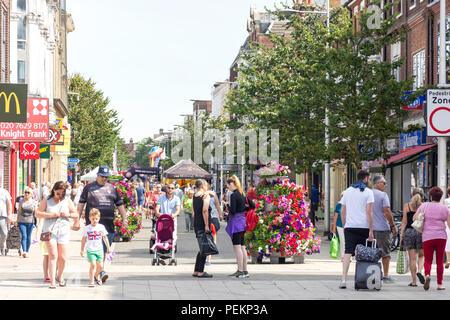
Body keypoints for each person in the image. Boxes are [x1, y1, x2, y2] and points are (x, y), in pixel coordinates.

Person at [74, 165, 128, 284]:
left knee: (103, 250)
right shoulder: (88, 188)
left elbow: (120, 204)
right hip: (93, 225)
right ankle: (101, 271)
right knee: (97, 248)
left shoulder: (112, 189)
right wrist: (76, 219)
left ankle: (99, 271)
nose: (104, 179)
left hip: (108, 224)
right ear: (97, 176)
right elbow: (81, 204)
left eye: (106, 177)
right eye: (102, 176)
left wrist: (124, 219)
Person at [35, 181, 78, 289]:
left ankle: (60, 276)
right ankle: (52, 281)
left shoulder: (67, 200)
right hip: (50, 231)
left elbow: (76, 213)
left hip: (63, 230)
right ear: (54, 190)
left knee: (63, 258)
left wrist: (68, 215)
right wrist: (51, 215)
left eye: (62, 194)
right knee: (53, 256)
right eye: (58, 193)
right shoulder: (47, 200)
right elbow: (37, 213)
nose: (60, 196)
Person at [339, 169, 374, 289]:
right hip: (363, 226)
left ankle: (343, 279)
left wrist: (344, 225)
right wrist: (371, 229)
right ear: (365, 178)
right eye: (368, 179)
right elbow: (369, 212)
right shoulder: (368, 192)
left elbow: (342, 211)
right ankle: (362, 279)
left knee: (348, 252)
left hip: (350, 226)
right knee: (363, 253)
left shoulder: (347, 192)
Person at [414, 187, 450, 291]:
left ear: (430, 196)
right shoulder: (445, 209)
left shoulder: (424, 206)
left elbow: (414, 218)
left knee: (428, 259)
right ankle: (439, 284)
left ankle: (428, 275)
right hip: (441, 236)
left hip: (427, 236)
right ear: (440, 197)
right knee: (439, 261)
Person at [226, 175, 254, 278]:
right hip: (243, 221)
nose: (228, 187)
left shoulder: (234, 195)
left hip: (236, 223)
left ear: (231, 184)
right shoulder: (242, 193)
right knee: (243, 247)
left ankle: (240, 270)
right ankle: (245, 270)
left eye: (228, 185)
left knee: (237, 247)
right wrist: (244, 208)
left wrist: (227, 205)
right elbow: (253, 206)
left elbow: (232, 210)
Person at [371, 175, 398, 283]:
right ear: (377, 183)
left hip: (369, 228)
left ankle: (373, 274)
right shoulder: (383, 195)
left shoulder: (367, 194)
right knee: (385, 253)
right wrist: (393, 226)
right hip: (382, 228)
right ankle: (385, 276)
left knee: (372, 252)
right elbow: (387, 211)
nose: (386, 185)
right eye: (384, 183)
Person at [400, 188, 426, 287]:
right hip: (420, 232)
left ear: (411, 195)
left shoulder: (407, 206)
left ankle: (414, 281)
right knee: (421, 256)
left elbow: (404, 222)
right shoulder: (424, 206)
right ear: (423, 196)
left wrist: (401, 235)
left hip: (409, 232)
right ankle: (419, 271)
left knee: (412, 259)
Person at [81, 208, 111, 287]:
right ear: (89, 218)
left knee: (100, 266)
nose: (95, 220)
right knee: (93, 265)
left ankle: (96, 276)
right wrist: (82, 250)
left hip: (99, 250)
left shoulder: (101, 227)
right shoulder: (87, 228)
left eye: (96, 219)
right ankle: (91, 281)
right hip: (90, 250)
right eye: (93, 219)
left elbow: (105, 237)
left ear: (99, 218)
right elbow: (83, 239)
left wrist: (108, 247)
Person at [192, 179, 213, 278]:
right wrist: (207, 225)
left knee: (201, 247)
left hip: (196, 223)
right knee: (205, 247)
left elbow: (193, 211)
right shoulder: (205, 196)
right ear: (203, 186)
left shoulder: (195, 195)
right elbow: (205, 210)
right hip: (203, 223)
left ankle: (196, 270)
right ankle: (200, 271)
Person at [16, 187, 38, 258]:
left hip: (30, 221)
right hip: (21, 221)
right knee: (24, 235)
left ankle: (27, 251)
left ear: (31, 194)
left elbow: (36, 213)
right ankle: (24, 251)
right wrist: (17, 221)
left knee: (28, 236)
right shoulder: (21, 200)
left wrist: (37, 222)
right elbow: (19, 211)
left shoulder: (34, 202)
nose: (26, 194)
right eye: (25, 192)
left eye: (28, 193)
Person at [206, 184, 223, 265]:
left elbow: (217, 205)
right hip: (206, 218)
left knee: (212, 237)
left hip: (213, 218)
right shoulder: (201, 194)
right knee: (207, 238)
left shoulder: (213, 194)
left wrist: (220, 214)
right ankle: (208, 256)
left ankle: (209, 257)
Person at [331, 192, 345, 261]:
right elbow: (335, 218)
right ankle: (343, 256)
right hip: (340, 226)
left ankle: (349, 256)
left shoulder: (350, 205)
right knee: (342, 241)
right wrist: (334, 229)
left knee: (348, 241)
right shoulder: (338, 206)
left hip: (348, 226)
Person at [0, 183, 12, 256]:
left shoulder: (5, 192)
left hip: (3, 215)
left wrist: (9, 214)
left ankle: (2, 246)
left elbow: (9, 204)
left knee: (4, 233)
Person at [444, 187, 450, 269]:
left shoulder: (445, 201)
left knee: (447, 241)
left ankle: (448, 259)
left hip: (447, 223)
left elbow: (443, 213)